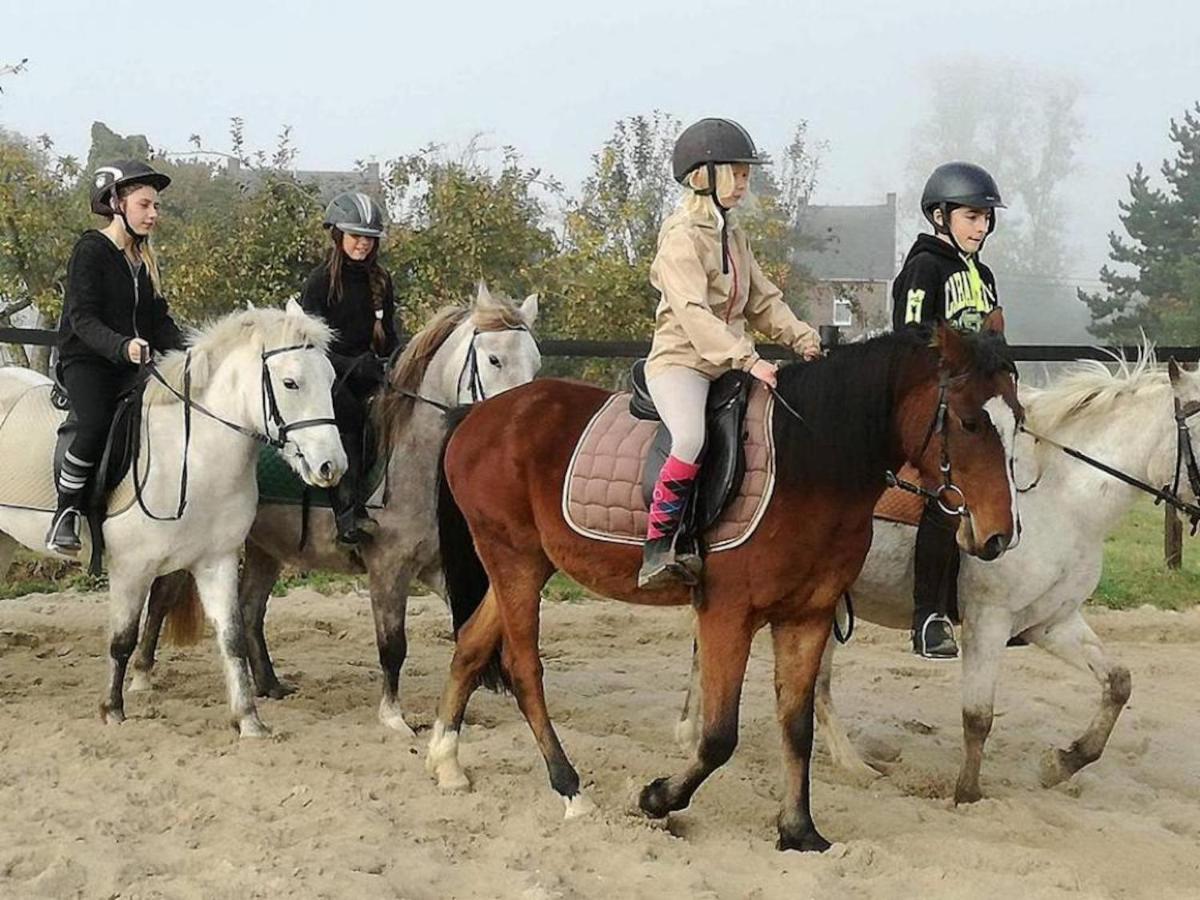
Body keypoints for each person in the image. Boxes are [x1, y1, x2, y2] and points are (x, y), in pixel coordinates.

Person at [640, 117, 822, 589]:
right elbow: (695, 315)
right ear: (705, 175)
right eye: (737, 174)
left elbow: (762, 300)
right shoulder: (680, 237)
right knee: (690, 439)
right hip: (683, 363)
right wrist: (748, 358)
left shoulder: (732, 234)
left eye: (746, 175)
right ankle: (659, 546)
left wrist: (800, 336)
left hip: (731, 362)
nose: (744, 183)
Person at [892, 160, 1006, 658]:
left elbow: (995, 338)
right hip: (927, 395)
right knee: (948, 493)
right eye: (971, 216)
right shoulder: (925, 267)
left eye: (985, 218)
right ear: (941, 217)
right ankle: (929, 616)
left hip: (973, 401)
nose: (981, 226)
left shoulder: (984, 275)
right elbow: (911, 337)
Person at [47, 160, 187, 553]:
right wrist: (122, 345)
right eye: (145, 205)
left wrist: (193, 353)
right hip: (87, 362)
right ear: (115, 203)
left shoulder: (144, 262)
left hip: (132, 364)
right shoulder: (90, 250)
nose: (154, 214)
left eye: (155, 207)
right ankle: (66, 512)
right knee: (93, 425)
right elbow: (82, 318)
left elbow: (160, 323)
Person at [299, 191, 399, 544]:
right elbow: (311, 344)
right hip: (328, 376)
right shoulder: (319, 281)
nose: (363, 245)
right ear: (338, 235)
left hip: (372, 372)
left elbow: (391, 335)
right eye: (356, 237)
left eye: (369, 239)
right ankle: (347, 516)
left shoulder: (382, 281)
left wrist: (393, 362)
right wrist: (353, 367)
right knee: (350, 418)